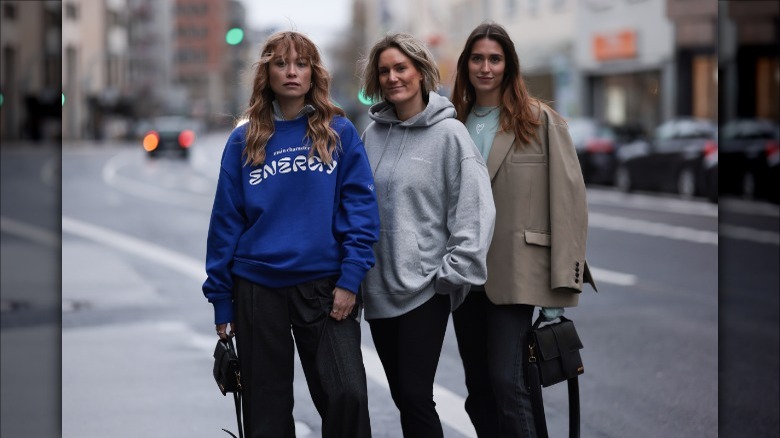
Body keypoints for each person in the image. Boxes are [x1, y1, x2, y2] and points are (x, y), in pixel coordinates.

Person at [202, 31, 379, 438]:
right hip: (257, 289)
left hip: (326, 287)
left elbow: (362, 212)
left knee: (348, 395)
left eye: (300, 63)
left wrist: (351, 278)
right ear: (267, 72)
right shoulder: (243, 140)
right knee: (267, 411)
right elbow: (225, 222)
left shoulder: (338, 132)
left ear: (314, 72)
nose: (291, 72)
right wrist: (221, 300)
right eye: (281, 63)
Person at [450, 22, 597, 437]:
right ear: (466, 65)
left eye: (495, 59)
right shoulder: (452, 123)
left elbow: (569, 206)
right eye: (477, 58)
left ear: (509, 65)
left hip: (516, 275)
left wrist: (558, 294)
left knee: (508, 383)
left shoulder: (540, 120)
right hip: (464, 277)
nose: (485, 67)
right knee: (477, 389)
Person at [359, 32, 496, 438]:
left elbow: (474, 208)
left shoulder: (450, 135)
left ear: (420, 73)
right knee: (403, 396)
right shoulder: (371, 135)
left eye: (401, 68)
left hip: (425, 291)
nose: (392, 77)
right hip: (378, 290)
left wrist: (452, 274)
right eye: (384, 70)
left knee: (416, 397)